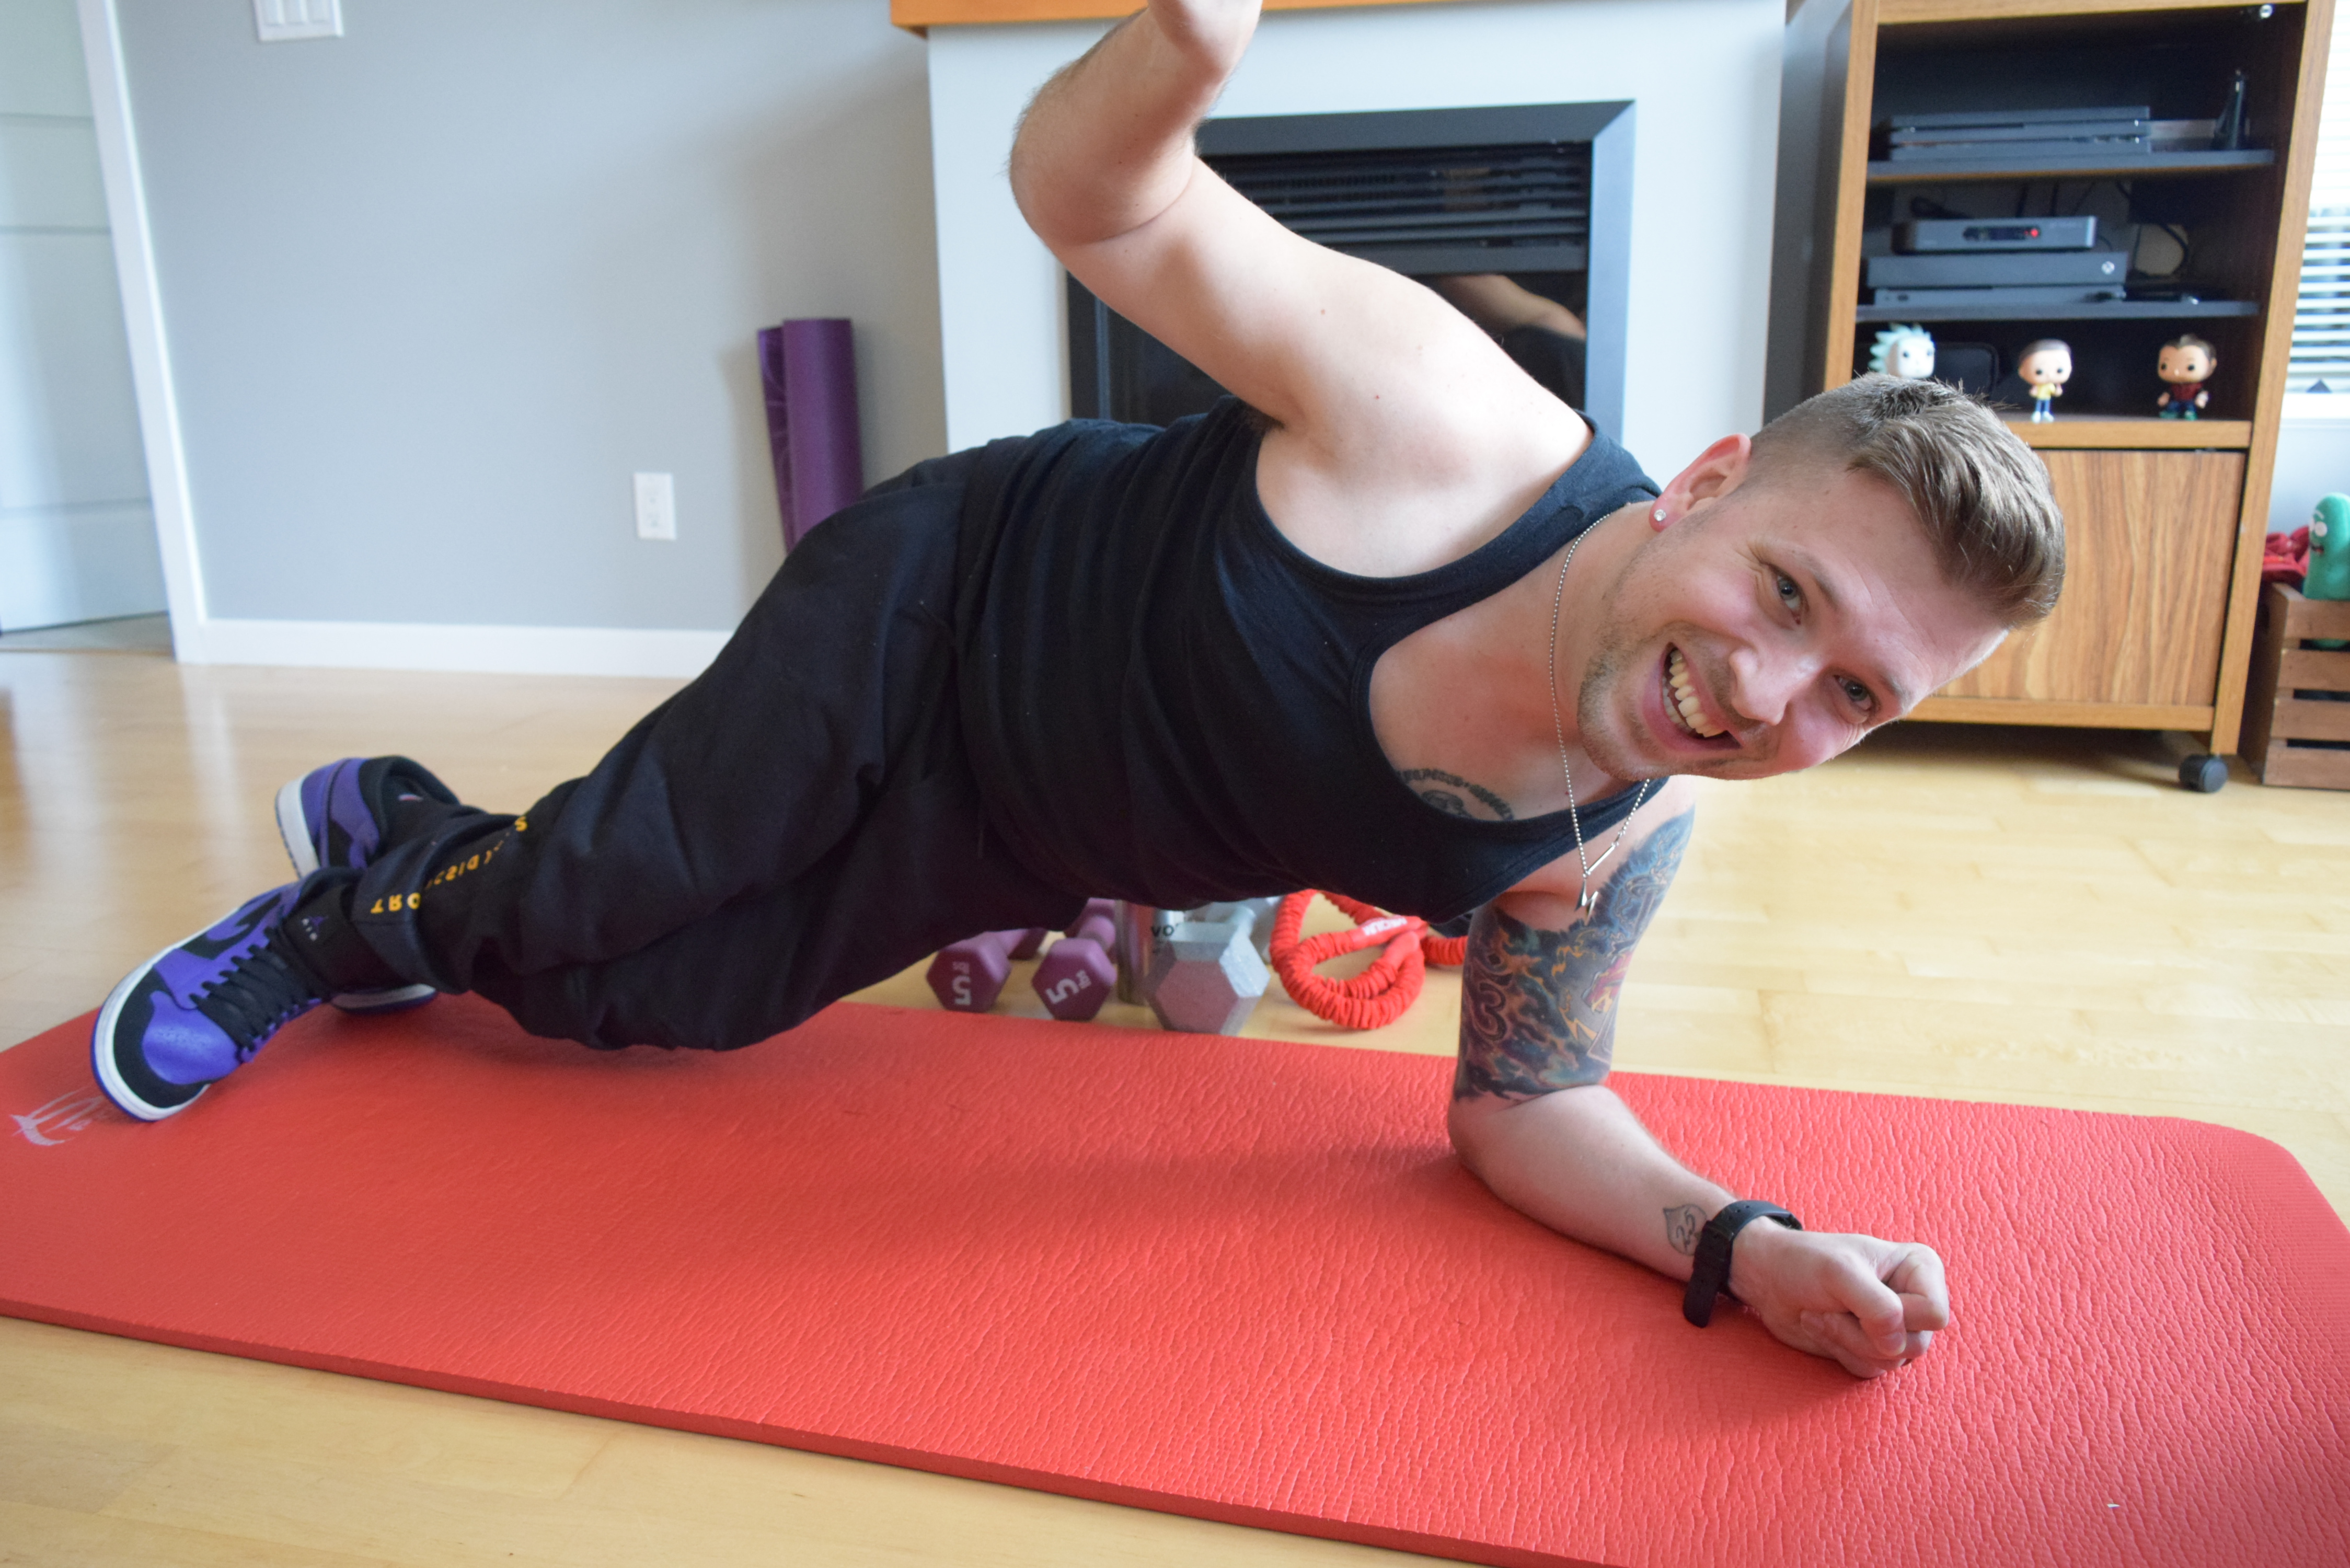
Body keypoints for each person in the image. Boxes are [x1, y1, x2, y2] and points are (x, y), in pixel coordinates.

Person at [92, 0, 2062, 1381]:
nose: (1763, 692)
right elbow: (1100, 204)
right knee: (619, 870)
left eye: (1855, 698)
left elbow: (1527, 1106)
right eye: (1785, 589)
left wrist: (1743, 1242)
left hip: (1019, 829)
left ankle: (409, 830)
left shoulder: (1613, 845)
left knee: (652, 999)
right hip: (947, 603)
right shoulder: (1458, 427)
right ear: (1709, 483)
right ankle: (336, 925)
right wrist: (1180, 55)